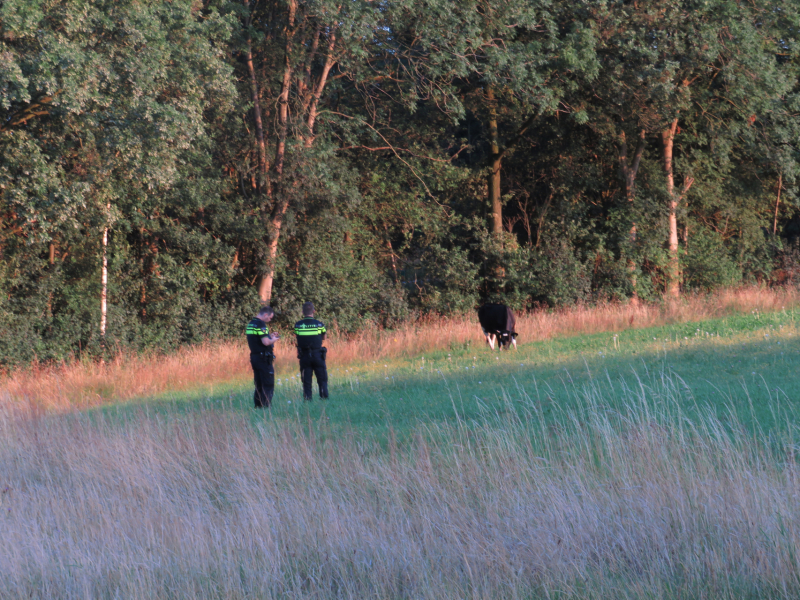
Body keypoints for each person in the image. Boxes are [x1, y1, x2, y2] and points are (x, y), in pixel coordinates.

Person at [246, 306, 280, 408]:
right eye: (270, 317)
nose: (270, 320)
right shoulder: (261, 324)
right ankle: (265, 407)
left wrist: (270, 336)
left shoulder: (251, 324)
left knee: (259, 384)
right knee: (267, 383)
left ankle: (258, 406)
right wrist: (274, 339)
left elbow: (257, 339)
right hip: (263, 358)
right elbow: (265, 342)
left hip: (255, 357)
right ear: (265, 315)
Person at [294, 301, 328, 400]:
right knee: (322, 379)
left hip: (304, 355)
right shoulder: (319, 324)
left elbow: (297, 336)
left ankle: (307, 399)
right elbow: (324, 337)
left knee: (306, 380)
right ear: (313, 311)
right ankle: (324, 398)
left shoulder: (298, 325)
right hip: (318, 354)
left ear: (302, 312)